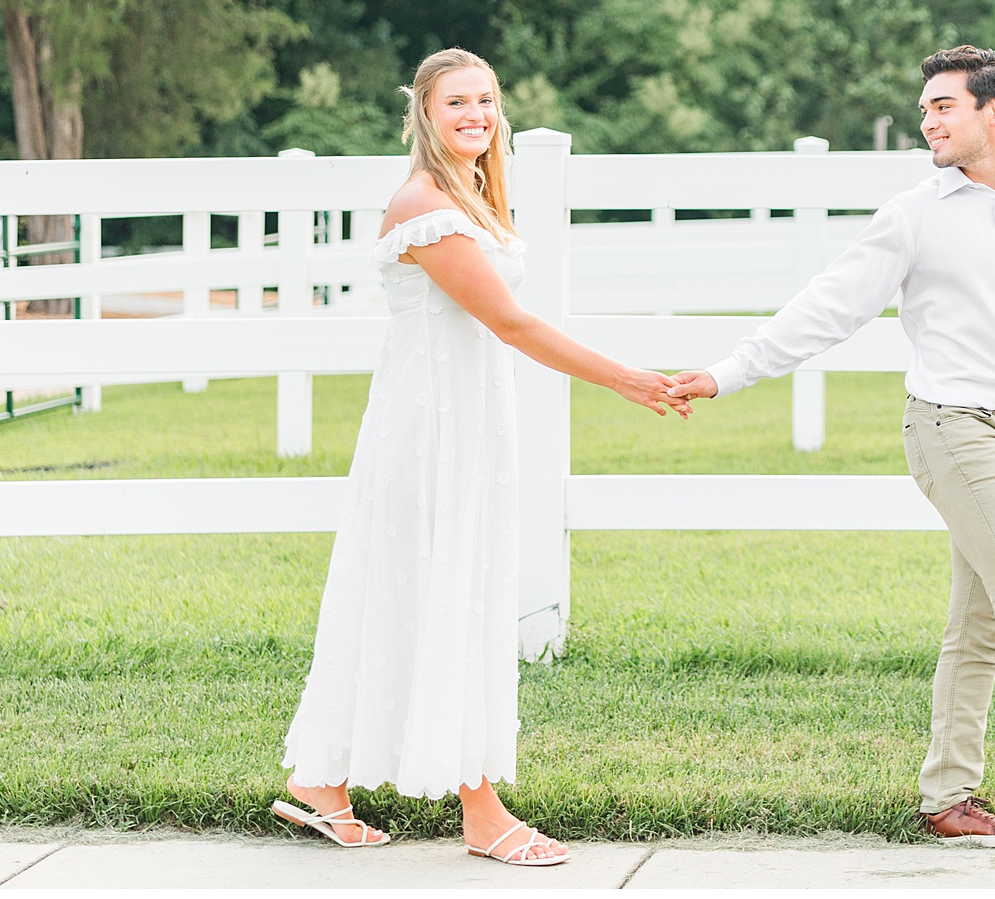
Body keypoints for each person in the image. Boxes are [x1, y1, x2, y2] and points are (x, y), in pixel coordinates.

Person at [667, 45, 995, 849]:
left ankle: (948, 796)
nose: (927, 121)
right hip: (952, 428)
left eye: (943, 105)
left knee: (980, 620)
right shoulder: (915, 213)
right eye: (925, 108)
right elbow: (829, 305)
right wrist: (727, 373)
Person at [276, 48, 689, 866]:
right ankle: (481, 811)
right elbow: (512, 324)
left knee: (416, 593)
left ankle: (321, 783)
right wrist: (628, 380)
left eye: (487, 100)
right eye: (457, 101)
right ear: (424, 113)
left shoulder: (469, 193)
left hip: (461, 424)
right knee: (445, 595)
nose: (476, 113)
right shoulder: (422, 202)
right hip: (431, 433)